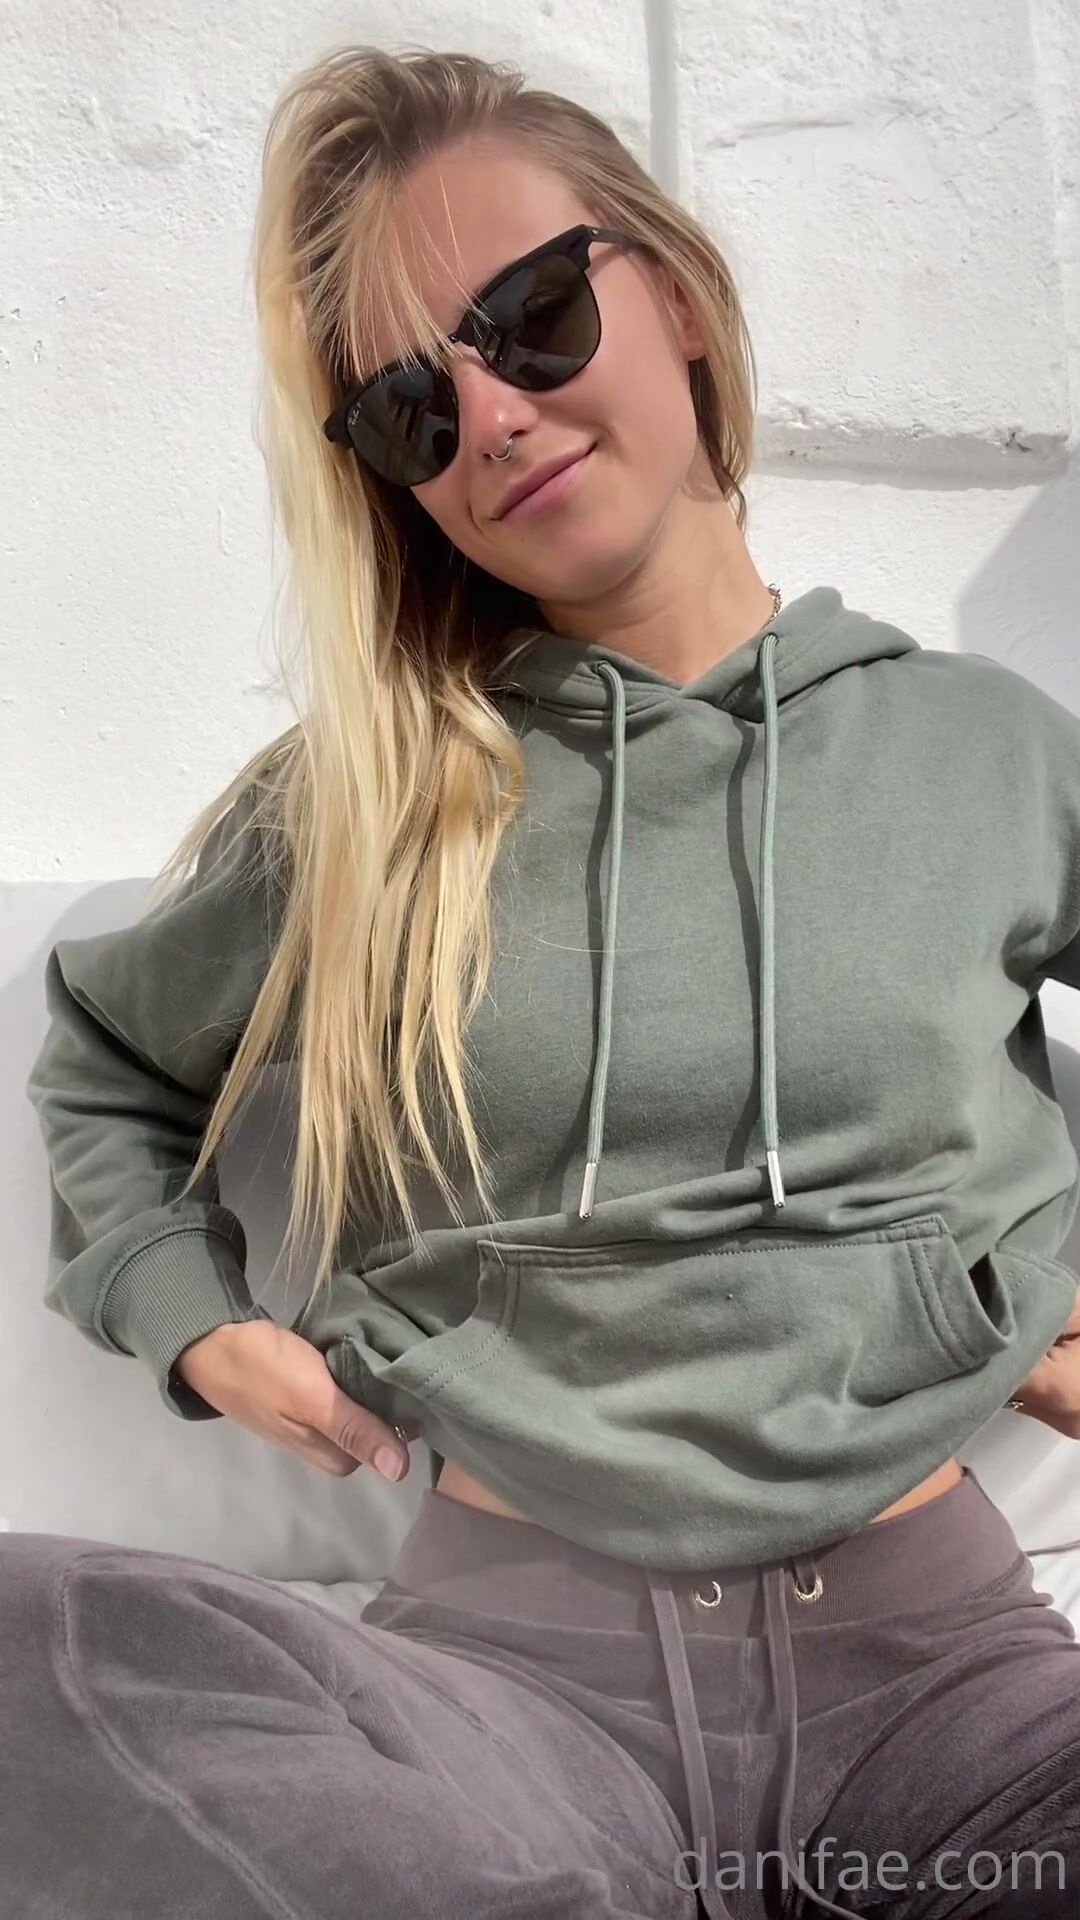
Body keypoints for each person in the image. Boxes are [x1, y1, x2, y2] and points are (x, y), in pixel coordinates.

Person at [8, 38, 1080, 1920]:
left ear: (679, 298)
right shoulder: (359, 807)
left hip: (949, 1691)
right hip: (504, 1704)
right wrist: (188, 1315)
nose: (492, 414)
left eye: (531, 315)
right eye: (410, 409)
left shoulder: (984, 752)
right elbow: (108, 1057)